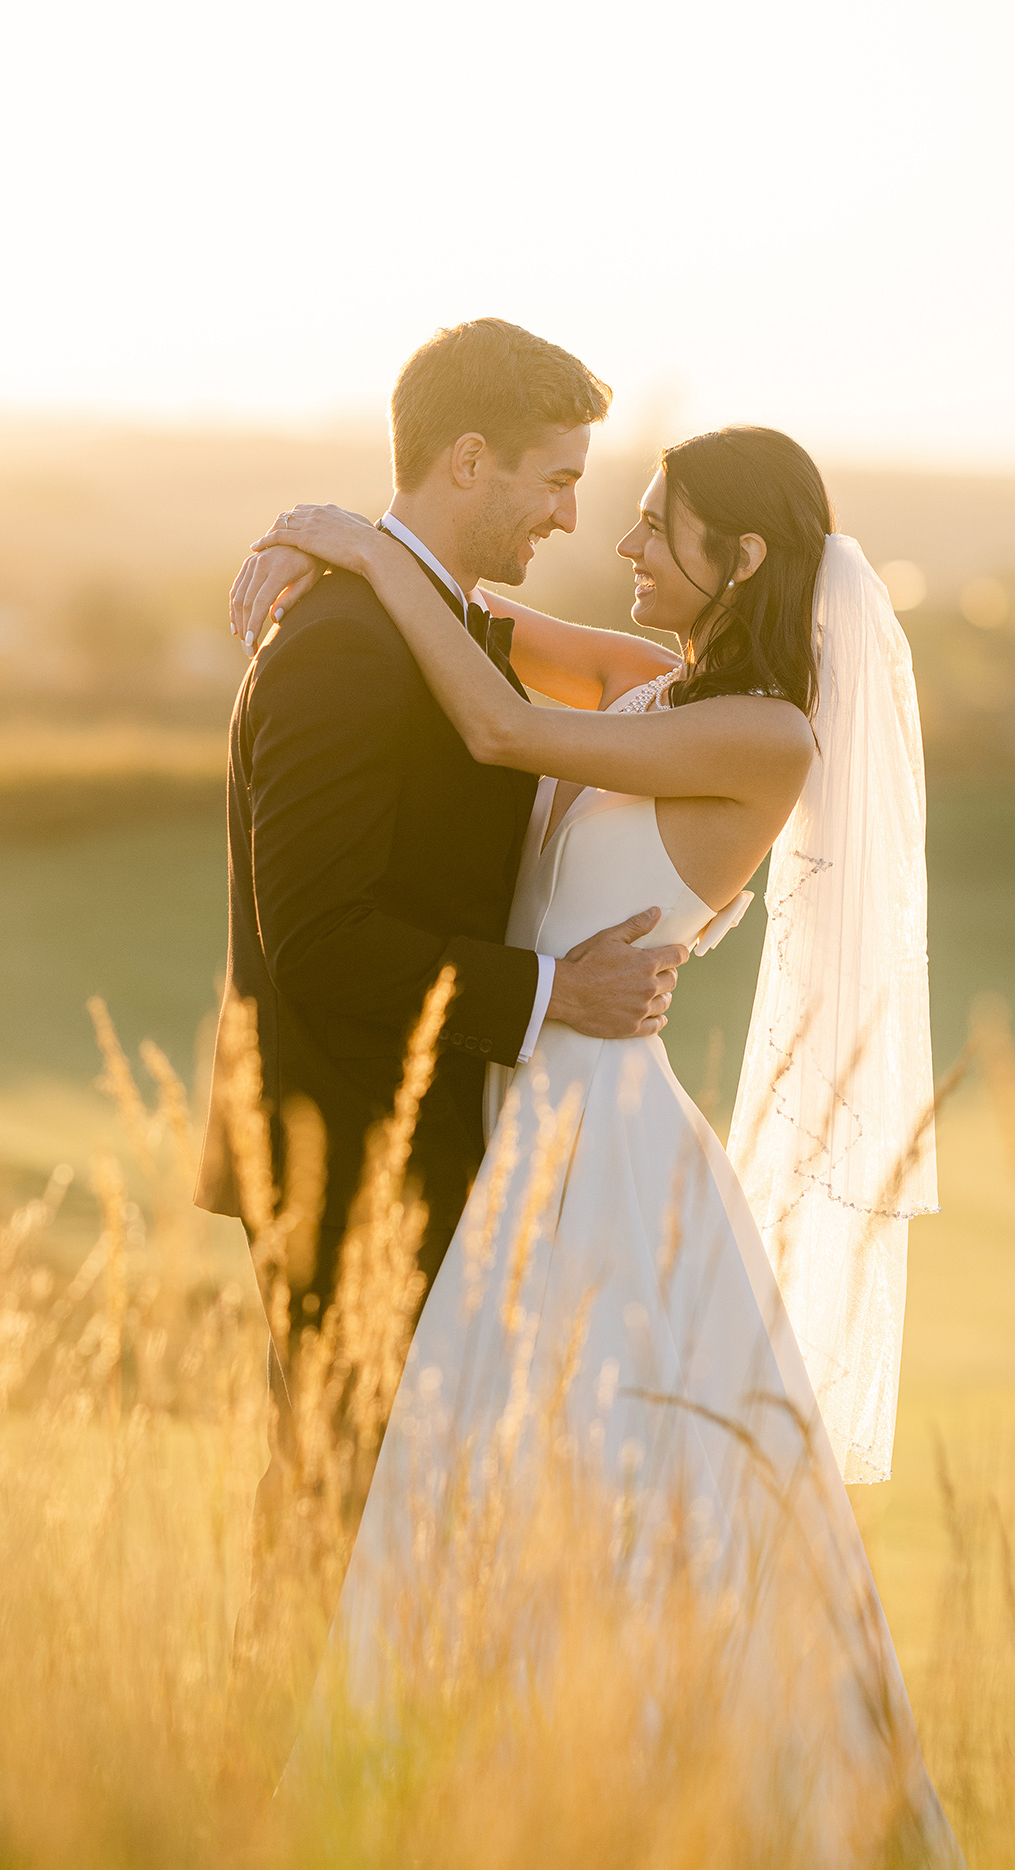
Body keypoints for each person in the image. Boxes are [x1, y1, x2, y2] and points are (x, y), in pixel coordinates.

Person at [236, 424, 959, 1861]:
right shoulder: (662, 684)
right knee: (483, 1494)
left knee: (592, 1492)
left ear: (739, 559)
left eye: (653, 525)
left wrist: (365, 546)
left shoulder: (767, 736)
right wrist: (334, 538)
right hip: (530, 1120)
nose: (619, 546)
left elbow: (499, 724)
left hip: (603, 1154)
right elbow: (482, 620)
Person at [195, 319, 692, 1608]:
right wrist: (550, 994)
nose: (569, 517)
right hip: (344, 1153)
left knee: (403, 1531)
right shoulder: (343, 651)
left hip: (420, 1148)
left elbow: (650, 684)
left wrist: (355, 538)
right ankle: (274, 1791)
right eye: (558, 479)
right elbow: (321, 940)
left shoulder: (427, 621)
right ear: (469, 460)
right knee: (338, 1522)